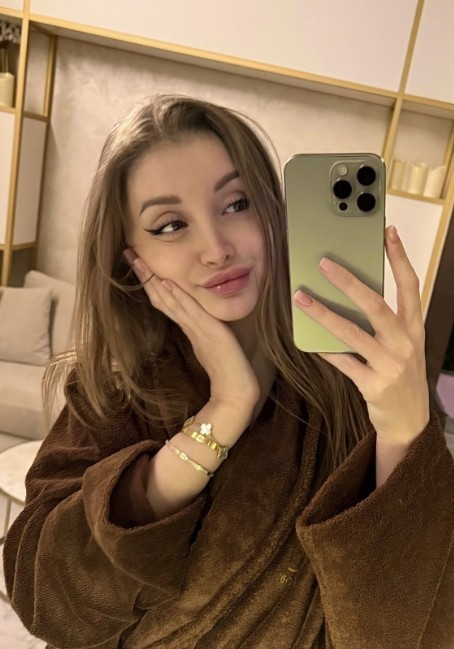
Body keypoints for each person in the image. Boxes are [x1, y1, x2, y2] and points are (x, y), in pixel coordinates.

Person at [3, 94, 453, 649]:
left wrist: (404, 432)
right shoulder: (117, 386)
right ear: (131, 256)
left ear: (272, 212)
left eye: (236, 204)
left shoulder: (359, 383)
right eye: (171, 225)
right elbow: (46, 599)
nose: (216, 249)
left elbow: (408, 631)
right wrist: (225, 410)